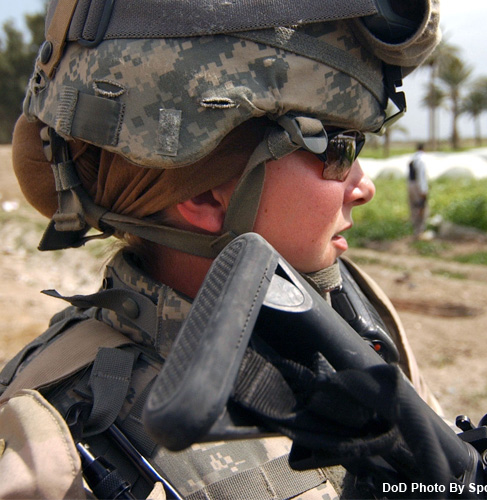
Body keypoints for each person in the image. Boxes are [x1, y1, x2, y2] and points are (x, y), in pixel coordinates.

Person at [0, 1, 442, 499]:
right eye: (340, 151)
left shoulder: (348, 306)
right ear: (206, 196)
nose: (364, 188)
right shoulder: (60, 456)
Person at [407, 143, 429, 237]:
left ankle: (415, 230)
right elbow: (421, 176)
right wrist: (423, 191)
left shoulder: (413, 158)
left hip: (410, 185)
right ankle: (420, 232)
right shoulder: (422, 159)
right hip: (418, 186)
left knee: (414, 208)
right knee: (421, 208)